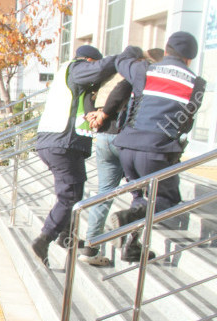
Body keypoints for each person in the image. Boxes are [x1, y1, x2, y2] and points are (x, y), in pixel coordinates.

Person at [109, 32, 206, 261]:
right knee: (166, 200)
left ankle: (132, 246)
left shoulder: (146, 70)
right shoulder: (196, 84)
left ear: (166, 49)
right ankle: (128, 219)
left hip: (128, 148)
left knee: (141, 198)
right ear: (190, 59)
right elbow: (186, 122)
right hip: (157, 150)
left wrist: (133, 50)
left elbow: (120, 62)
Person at [31, 44, 117, 267]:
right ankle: (45, 238)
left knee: (75, 190)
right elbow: (99, 70)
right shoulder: (78, 68)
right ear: (89, 61)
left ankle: (66, 236)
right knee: (70, 195)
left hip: (58, 141)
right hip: (62, 142)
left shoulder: (66, 74)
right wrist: (123, 58)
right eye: (94, 65)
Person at [79, 48, 164, 266]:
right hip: (124, 139)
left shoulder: (107, 74)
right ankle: (132, 243)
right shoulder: (137, 73)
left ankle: (91, 245)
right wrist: (105, 114)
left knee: (104, 192)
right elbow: (120, 91)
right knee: (141, 194)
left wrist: (94, 115)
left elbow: (90, 94)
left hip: (104, 138)